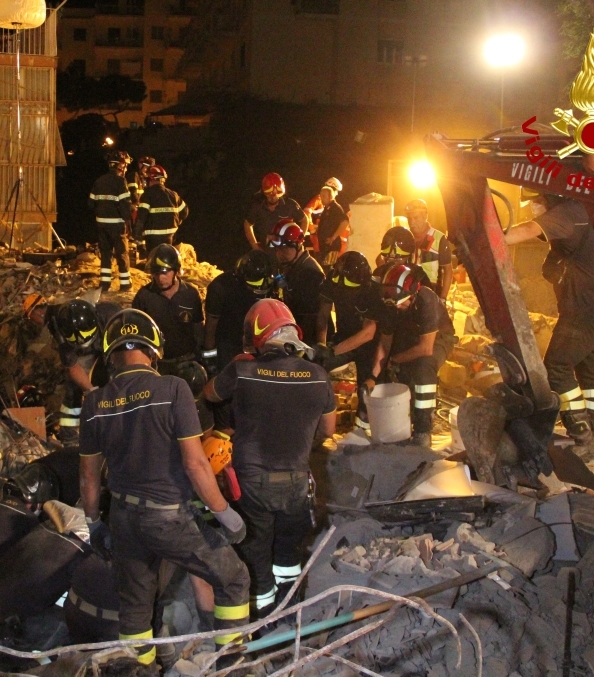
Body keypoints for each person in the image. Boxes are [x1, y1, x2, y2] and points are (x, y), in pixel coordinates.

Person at [79, 309, 250, 668]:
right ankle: (233, 667)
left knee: (136, 607)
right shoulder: (173, 389)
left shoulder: (94, 403)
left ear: (110, 354)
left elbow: (89, 478)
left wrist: (94, 523)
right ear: (154, 349)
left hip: (123, 518)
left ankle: (135, 671)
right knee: (233, 577)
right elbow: (196, 464)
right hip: (168, 518)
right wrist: (224, 513)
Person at [204, 299, 335, 620]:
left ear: (258, 337)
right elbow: (327, 430)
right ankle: (289, 612)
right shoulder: (319, 376)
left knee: (256, 553)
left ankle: (262, 618)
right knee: (288, 555)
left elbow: (209, 394)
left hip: (251, 486)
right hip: (295, 485)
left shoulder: (242, 370)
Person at [504, 194, 594, 460]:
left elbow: (529, 229)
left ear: (547, 197)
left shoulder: (568, 211)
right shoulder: (586, 210)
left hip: (583, 308)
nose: (535, 207)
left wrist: (489, 239)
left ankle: (582, 437)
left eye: (536, 201)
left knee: (556, 368)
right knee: (590, 368)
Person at [366, 263, 456, 447]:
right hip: (411, 335)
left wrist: (395, 360)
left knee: (424, 366)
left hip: (438, 339)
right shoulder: (391, 304)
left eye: (401, 302)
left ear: (413, 293)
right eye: (393, 302)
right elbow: (385, 343)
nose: (397, 306)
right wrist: (373, 377)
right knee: (397, 370)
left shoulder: (427, 300)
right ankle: (401, 420)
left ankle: (423, 428)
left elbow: (426, 348)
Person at [315, 251, 378, 431]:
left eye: (348, 282)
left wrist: (334, 351)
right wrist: (321, 345)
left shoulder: (373, 291)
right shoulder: (332, 281)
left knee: (366, 386)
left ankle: (362, 428)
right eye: (339, 280)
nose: (343, 286)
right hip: (344, 335)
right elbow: (322, 316)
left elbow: (368, 333)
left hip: (369, 344)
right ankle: (320, 418)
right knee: (317, 367)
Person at [51, 299, 120, 447]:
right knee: (72, 389)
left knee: (117, 381)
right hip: (83, 352)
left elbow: (126, 357)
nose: (82, 339)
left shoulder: (112, 318)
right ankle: (70, 438)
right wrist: (90, 391)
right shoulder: (61, 330)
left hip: (112, 345)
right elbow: (73, 366)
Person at [132, 244, 204, 377]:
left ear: (176, 271)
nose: (160, 278)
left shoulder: (190, 294)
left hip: (187, 362)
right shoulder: (144, 296)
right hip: (159, 365)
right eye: (156, 273)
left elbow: (198, 326)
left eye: (165, 272)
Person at [202, 250, 276, 373]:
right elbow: (211, 325)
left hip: (258, 341)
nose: (256, 289)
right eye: (252, 285)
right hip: (229, 341)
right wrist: (210, 356)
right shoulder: (219, 288)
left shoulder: (271, 283)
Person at [270, 217, 325, 344]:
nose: (279, 254)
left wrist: (296, 344)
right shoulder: (294, 266)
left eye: (284, 249)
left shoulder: (310, 273)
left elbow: (310, 319)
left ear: (298, 245)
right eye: (277, 249)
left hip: (307, 341)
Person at [88, 150, 133, 292]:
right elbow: (125, 205)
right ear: (120, 166)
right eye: (125, 165)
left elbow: (90, 203)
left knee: (105, 254)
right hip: (117, 225)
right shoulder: (121, 181)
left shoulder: (99, 181)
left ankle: (104, 284)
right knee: (122, 254)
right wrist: (128, 221)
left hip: (101, 225)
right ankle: (125, 284)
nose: (125, 168)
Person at [244, 173, 308, 250]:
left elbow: (304, 220)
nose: (273, 195)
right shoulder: (258, 206)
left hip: (286, 251)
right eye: (270, 193)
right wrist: (254, 244)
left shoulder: (290, 204)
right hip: (266, 252)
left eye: (277, 193)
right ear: (264, 191)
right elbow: (247, 224)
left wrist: (299, 240)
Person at [405, 199, 453, 300]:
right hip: (408, 293)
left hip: (432, 293)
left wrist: (443, 298)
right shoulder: (406, 238)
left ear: (425, 216)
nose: (412, 222)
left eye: (416, 217)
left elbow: (448, 271)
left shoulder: (440, 239)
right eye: (409, 218)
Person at [135, 165, 189, 252]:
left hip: (152, 239)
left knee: (153, 262)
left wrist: (138, 239)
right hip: (169, 237)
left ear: (151, 179)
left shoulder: (147, 195)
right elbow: (185, 212)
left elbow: (141, 218)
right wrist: (177, 222)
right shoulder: (173, 195)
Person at [304, 177, 348, 260]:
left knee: (326, 267)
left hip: (327, 244)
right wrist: (312, 230)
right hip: (320, 242)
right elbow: (306, 212)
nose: (336, 194)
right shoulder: (321, 201)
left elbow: (343, 222)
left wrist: (333, 237)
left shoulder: (333, 207)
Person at [315, 182, 350, 268]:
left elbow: (345, 221)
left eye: (324, 196)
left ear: (330, 197)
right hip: (325, 246)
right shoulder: (327, 208)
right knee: (324, 268)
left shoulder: (335, 208)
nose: (321, 198)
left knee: (329, 270)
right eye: (321, 196)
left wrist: (333, 237)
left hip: (331, 246)